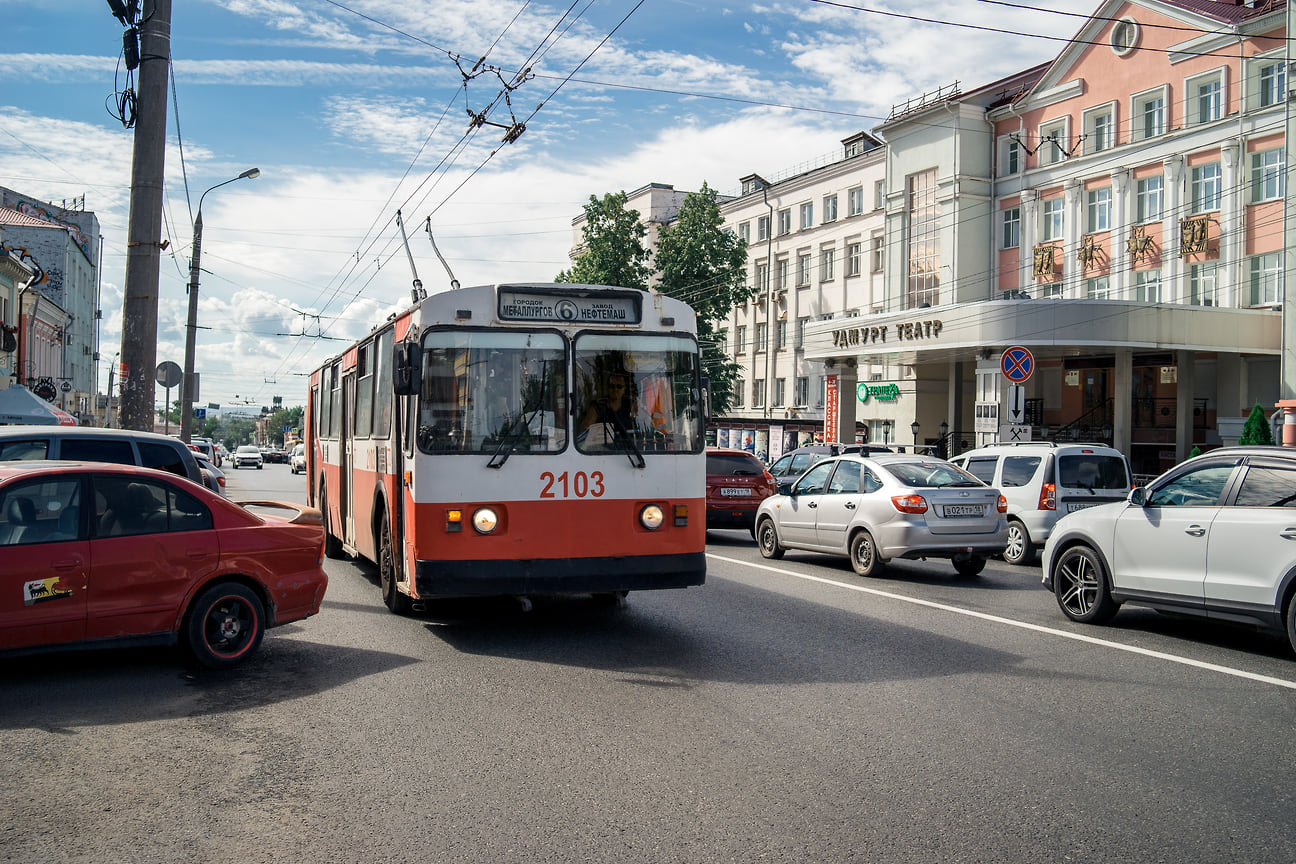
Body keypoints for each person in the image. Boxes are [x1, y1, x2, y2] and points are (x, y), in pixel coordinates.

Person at [577, 372, 640, 448]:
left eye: (619, 386)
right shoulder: (598, 405)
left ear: (624, 389)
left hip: (630, 449)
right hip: (603, 450)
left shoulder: (631, 405)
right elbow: (585, 430)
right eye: (612, 386)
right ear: (607, 388)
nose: (615, 389)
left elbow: (643, 424)